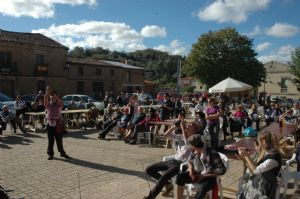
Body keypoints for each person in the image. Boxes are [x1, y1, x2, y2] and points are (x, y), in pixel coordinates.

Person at [143, 122, 199, 199]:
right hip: (173, 160)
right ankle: (168, 184)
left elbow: (187, 142)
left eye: (190, 126)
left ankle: (150, 197)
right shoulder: (181, 136)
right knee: (149, 169)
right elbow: (166, 135)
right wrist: (173, 127)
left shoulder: (196, 138)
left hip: (182, 164)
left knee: (164, 177)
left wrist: (182, 127)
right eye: (188, 125)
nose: (188, 126)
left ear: (195, 130)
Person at [175, 134, 226, 199]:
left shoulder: (212, 153)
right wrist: (191, 171)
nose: (189, 146)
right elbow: (189, 161)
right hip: (196, 173)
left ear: (194, 145)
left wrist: (204, 176)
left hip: (209, 177)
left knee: (201, 189)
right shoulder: (194, 151)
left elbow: (222, 170)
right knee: (180, 177)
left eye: (190, 144)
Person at [237, 131, 282, 199]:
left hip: (266, 186)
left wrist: (246, 156)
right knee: (247, 189)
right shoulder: (267, 153)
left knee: (249, 190)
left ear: (264, 142)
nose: (256, 147)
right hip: (260, 181)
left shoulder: (274, 158)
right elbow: (254, 171)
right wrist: (244, 159)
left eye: (259, 144)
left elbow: (256, 171)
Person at [44, 86, 70, 160]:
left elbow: (61, 102)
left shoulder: (59, 105)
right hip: (50, 124)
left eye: (54, 96)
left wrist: (56, 97)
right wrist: (47, 92)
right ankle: (50, 154)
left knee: (59, 140)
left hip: (58, 124)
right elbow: (45, 99)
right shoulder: (48, 105)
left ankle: (62, 153)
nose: (53, 98)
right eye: (52, 96)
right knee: (50, 140)